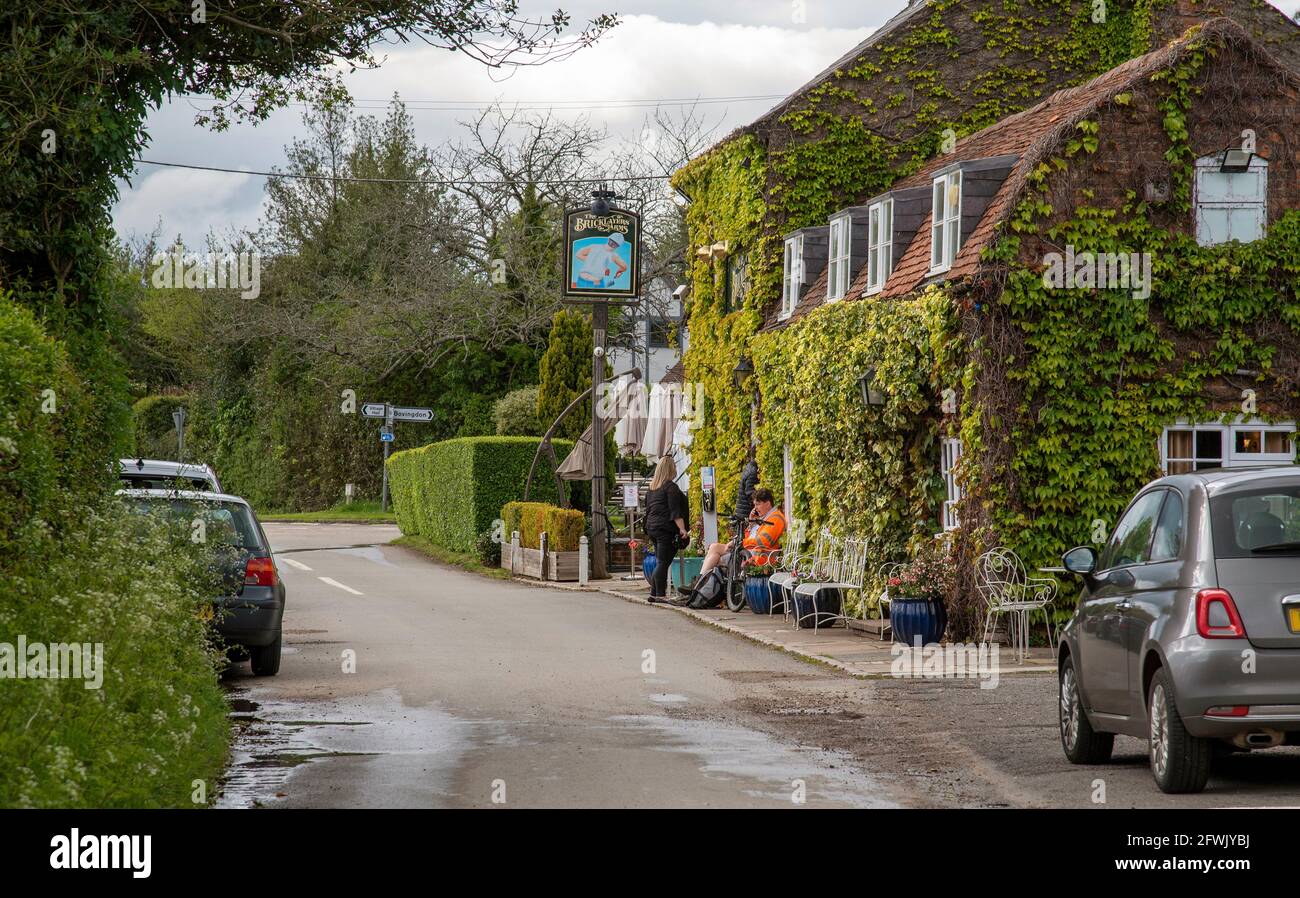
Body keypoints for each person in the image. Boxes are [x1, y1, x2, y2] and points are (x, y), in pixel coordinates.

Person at [699, 487, 787, 579]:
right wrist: (751, 525)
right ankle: (699, 584)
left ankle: (699, 584)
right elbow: (750, 538)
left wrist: (740, 543)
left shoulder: (775, 519)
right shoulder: (767, 518)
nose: (755, 508)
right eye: (754, 505)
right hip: (750, 554)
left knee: (716, 557)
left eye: (758, 504)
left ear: (768, 504)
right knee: (714, 548)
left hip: (758, 559)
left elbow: (764, 541)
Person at [643, 456, 689, 603]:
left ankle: (655, 593)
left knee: (660, 561)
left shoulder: (652, 489)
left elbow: (648, 509)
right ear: (671, 469)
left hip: (652, 528)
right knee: (663, 562)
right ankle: (659, 594)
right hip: (664, 529)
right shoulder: (670, 487)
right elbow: (675, 512)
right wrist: (682, 529)